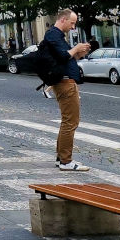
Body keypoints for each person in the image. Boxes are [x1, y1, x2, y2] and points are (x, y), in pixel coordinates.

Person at [45, 9, 92, 171]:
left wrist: (78, 54)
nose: (73, 27)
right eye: (72, 23)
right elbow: (63, 57)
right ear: (63, 20)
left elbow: (65, 59)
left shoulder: (57, 36)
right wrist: (76, 48)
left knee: (68, 122)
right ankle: (66, 161)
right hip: (65, 83)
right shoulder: (53, 35)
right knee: (70, 122)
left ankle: (61, 158)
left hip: (65, 81)